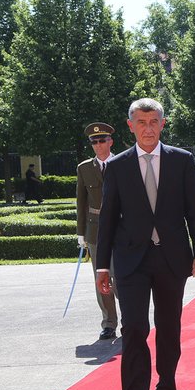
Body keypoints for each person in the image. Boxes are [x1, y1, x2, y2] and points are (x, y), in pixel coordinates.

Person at [95, 98, 195, 390]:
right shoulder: (117, 166)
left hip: (172, 259)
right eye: (141, 122)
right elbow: (107, 219)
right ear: (131, 126)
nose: (148, 128)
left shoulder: (182, 161)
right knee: (133, 329)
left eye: (154, 121)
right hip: (130, 261)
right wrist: (103, 265)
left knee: (169, 329)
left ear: (163, 124)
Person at [76, 123, 119, 341]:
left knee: (120, 276)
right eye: (94, 142)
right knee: (101, 277)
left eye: (102, 140)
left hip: (121, 229)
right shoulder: (84, 168)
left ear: (111, 141)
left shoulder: (123, 163)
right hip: (96, 229)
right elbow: (81, 201)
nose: (98, 145)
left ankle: (130, 318)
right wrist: (81, 232)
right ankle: (109, 322)